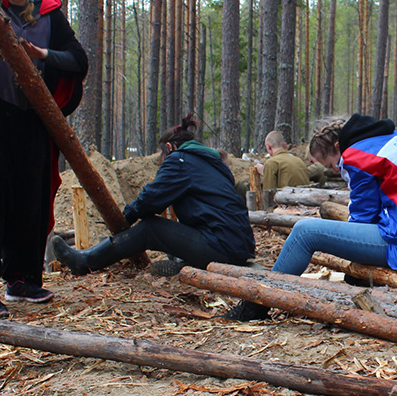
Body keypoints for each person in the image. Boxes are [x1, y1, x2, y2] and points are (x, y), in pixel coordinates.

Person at [227, 114, 397, 320]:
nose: (337, 170)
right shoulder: (390, 141)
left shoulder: (357, 155)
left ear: (336, 147)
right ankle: (358, 283)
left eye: (333, 165)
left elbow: (363, 218)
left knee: (305, 232)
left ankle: (256, 305)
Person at [0, 0, 89, 305]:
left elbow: (79, 60)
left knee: (33, 200)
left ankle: (24, 279)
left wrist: (42, 54)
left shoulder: (50, 14)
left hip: (34, 121)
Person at [52, 115, 255, 276]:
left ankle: (86, 262)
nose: (162, 162)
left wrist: (125, 218)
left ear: (169, 148)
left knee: (151, 228)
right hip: (238, 247)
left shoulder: (180, 160)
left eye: (162, 157)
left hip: (221, 248)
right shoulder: (213, 165)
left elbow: (151, 199)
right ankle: (182, 264)